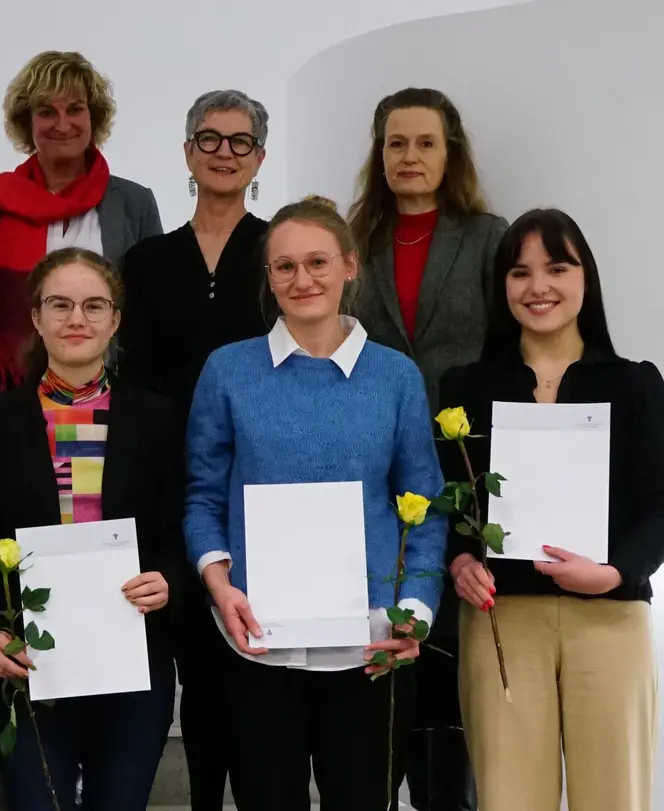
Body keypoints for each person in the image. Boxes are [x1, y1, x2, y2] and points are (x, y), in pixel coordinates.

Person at [184, 195, 448, 811]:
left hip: (371, 646)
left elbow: (425, 506)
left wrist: (415, 611)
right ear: (268, 277)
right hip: (257, 642)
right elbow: (201, 495)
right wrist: (219, 584)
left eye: (318, 262)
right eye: (284, 267)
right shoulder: (228, 371)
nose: (301, 280)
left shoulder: (396, 376)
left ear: (350, 267)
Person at [438, 209, 664, 811]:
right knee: (509, 796)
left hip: (610, 619)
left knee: (616, 796)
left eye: (556, 268)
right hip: (501, 621)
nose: (538, 287)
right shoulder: (464, 387)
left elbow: (659, 504)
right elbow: (446, 500)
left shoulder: (637, 384)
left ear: (584, 279)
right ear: (501, 287)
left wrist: (616, 572)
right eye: (520, 273)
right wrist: (461, 562)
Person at [0, 247, 183, 811]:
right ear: (35, 317)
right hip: (31, 659)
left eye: (93, 305)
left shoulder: (157, 419)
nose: (76, 319)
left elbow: (179, 527)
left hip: (133, 656)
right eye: (59, 305)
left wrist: (170, 579)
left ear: (116, 319)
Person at [348, 87, 508, 811]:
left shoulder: (488, 237)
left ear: (451, 154)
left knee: (451, 649)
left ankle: (451, 794)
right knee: (390, 635)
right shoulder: (353, 240)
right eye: (395, 143)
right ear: (379, 155)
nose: (409, 156)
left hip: (465, 466)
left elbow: (507, 349)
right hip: (374, 471)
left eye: (425, 143)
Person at [119, 90, 271, 810]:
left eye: (240, 142)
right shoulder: (147, 260)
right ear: (186, 154)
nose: (223, 152)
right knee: (192, 664)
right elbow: (134, 377)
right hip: (168, 481)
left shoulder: (278, 254)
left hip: (256, 483)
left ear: (259, 159)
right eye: (208, 139)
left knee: (247, 666)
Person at [0, 50, 163, 406]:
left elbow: (151, 316)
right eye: (47, 111)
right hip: (9, 405)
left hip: (109, 401)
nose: (62, 123)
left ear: (94, 118)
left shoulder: (133, 204)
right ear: (27, 121)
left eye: (75, 109)